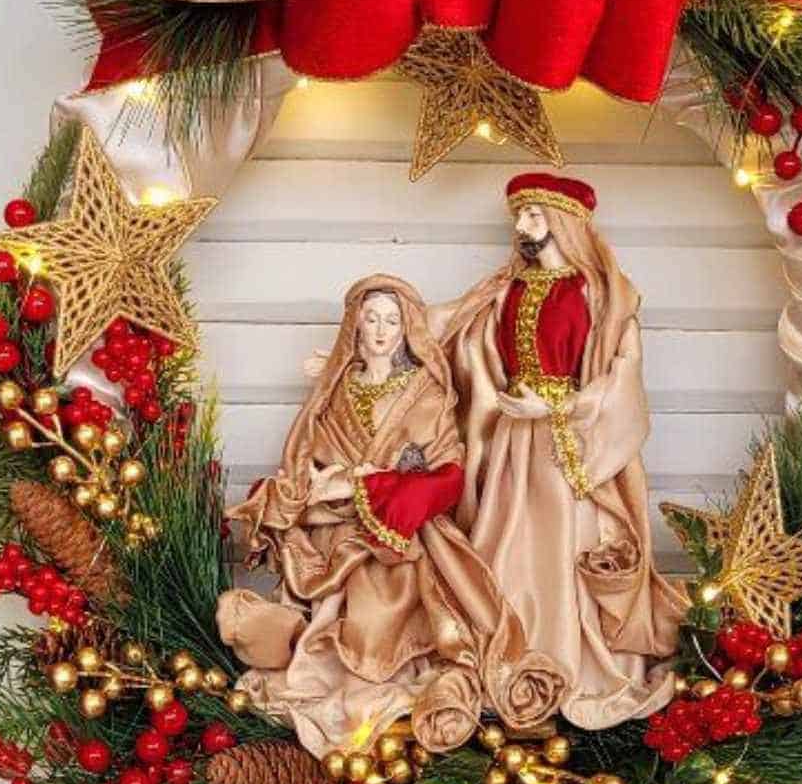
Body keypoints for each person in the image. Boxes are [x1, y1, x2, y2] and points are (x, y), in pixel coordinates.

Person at [218, 275, 566, 757]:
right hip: (336, 526)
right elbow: (309, 455)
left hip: (402, 533)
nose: (381, 331)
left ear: (407, 329)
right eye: (372, 319)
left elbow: (449, 472)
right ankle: (303, 644)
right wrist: (317, 486)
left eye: (392, 321)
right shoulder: (336, 389)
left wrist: (372, 485)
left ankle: (388, 666)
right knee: (330, 587)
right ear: (355, 325)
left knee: (395, 597)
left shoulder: (426, 392)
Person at [432, 172, 685, 729]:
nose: (522, 226)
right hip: (510, 440)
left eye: (534, 215)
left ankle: (571, 659)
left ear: (564, 223)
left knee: (566, 542)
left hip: (569, 440)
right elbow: (445, 327)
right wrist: (361, 356)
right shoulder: (505, 290)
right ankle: (510, 660)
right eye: (519, 216)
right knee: (505, 545)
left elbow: (625, 374)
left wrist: (556, 407)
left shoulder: (601, 294)